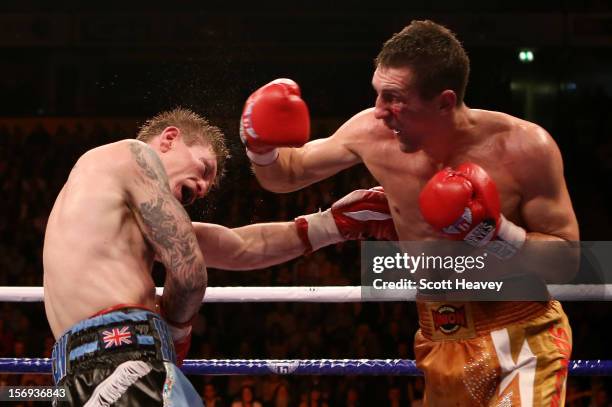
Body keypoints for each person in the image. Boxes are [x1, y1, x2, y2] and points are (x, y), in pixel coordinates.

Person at [239, 20, 579, 405]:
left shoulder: (524, 147)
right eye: (377, 94)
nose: (379, 112)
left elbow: (567, 260)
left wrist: (497, 234)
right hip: (440, 336)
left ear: (445, 102)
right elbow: (286, 175)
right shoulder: (371, 133)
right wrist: (259, 149)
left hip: (523, 331)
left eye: (393, 98)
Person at [43, 107, 397, 406]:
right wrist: (178, 329)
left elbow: (238, 247)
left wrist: (332, 225)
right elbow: (191, 273)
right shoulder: (133, 154)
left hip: (79, 374)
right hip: (125, 361)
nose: (200, 189)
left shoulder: (115, 214)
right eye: (204, 168)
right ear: (169, 139)